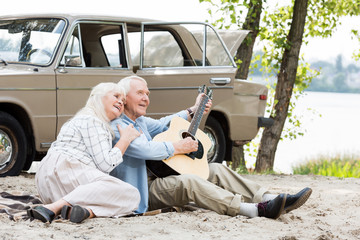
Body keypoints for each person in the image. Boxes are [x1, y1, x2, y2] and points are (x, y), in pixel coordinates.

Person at [110, 76, 312, 219]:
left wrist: (193, 109)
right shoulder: (118, 126)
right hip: (142, 193)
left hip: (159, 180)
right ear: (124, 97)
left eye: (147, 93)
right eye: (140, 93)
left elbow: (165, 123)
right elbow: (146, 150)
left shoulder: (140, 122)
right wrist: (178, 146)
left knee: (214, 168)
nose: (146, 97)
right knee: (188, 182)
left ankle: (268, 197)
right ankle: (251, 209)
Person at [27, 82, 141, 224]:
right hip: (66, 172)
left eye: (123, 101)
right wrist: (125, 139)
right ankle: (52, 208)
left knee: (126, 196)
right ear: (98, 97)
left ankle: (84, 211)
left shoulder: (81, 119)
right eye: (116, 96)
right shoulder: (93, 120)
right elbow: (105, 165)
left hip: (49, 184)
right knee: (132, 194)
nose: (120, 102)